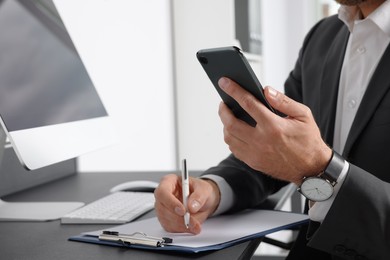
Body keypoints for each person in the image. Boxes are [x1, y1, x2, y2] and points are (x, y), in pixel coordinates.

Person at [154, 0, 390, 259]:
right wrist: (213, 190)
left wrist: (319, 168)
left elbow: (301, 159)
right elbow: (279, 150)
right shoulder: (322, 38)